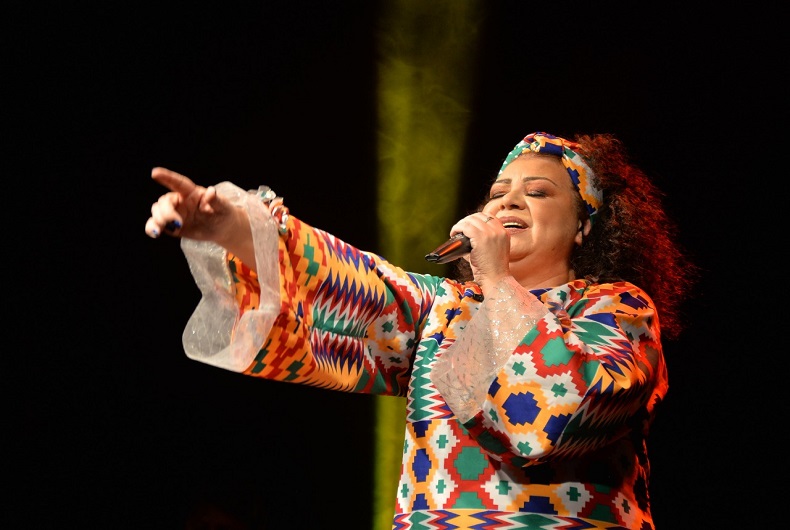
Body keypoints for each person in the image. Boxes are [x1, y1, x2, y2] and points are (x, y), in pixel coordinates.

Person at [144, 131, 696, 529]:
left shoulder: (616, 310)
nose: (508, 199)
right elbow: (350, 282)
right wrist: (231, 226)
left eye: (538, 191)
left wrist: (496, 279)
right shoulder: (444, 310)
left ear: (583, 226)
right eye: (498, 192)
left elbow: (559, 413)